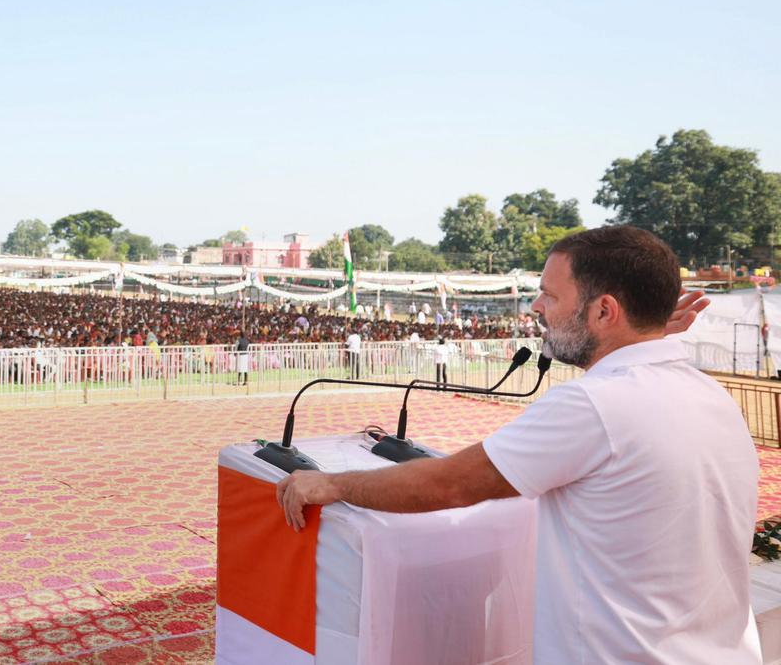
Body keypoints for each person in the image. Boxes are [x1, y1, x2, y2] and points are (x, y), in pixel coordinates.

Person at [276, 226, 753, 663]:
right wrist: (637, 336)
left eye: (549, 294)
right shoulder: (708, 393)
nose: (537, 308)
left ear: (604, 311)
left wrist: (332, 484)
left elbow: (450, 487)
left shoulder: (593, 404)